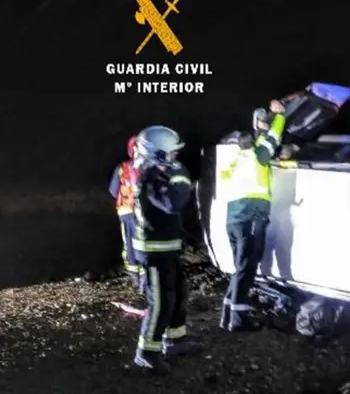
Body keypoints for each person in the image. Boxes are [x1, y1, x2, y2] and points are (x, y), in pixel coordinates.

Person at [131, 125, 202, 374]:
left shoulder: (158, 174)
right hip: (154, 252)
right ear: (158, 154)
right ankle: (146, 353)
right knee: (160, 303)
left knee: (179, 294)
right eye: (172, 153)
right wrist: (180, 175)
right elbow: (173, 203)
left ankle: (175, 340)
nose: (176, 157)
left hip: (167, 248)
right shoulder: (150, 178)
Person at [219, 99, 286, 332]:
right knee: (247, 268)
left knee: (241, 267)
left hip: (234, 217)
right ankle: (238, 320)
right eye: (262, 122)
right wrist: (280, 116)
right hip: (252, 216)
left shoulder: (236, 159)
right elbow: (274, 137)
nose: (266, 126)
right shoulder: (259, 154)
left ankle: (228, 314)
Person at [108, 135, 143, 291]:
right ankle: (145, 274)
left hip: (127, 211)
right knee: (144, 240)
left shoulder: (122, 168)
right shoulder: (151, 167)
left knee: (129, 242)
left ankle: (135, 275)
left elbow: (113, 190)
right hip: (145, 212)